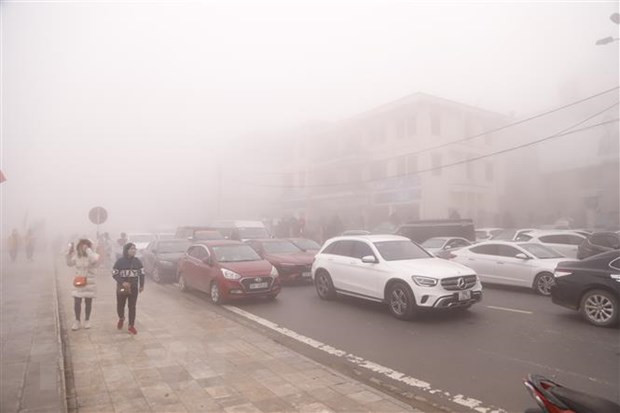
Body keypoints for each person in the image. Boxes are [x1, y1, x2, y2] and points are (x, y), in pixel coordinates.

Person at [66, 239, 100, 330]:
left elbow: (94, 261)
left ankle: (87, 320)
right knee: (77, 301)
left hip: (89, 282)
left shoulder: (93, 255)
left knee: (88, 302)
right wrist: (68, 254)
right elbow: (69, 264)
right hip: (79, 281)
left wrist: (88, 250)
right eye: (81, 246)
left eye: (85, 246)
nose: (83, 248)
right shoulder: (77, 256)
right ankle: (77, 321)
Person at [112, 243, 145, 335]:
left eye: (135, 249)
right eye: (131, 249)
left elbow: (142, 274)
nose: (133, 250)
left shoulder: (137, 262)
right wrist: (122, 282)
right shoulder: (120, 262)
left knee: (132, 306)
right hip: (122, 288)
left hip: (133, 288)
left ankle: (131, 326)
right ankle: (121, 318)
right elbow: (114, 274)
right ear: (126, 250)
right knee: (120, 305)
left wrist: (141, 285)